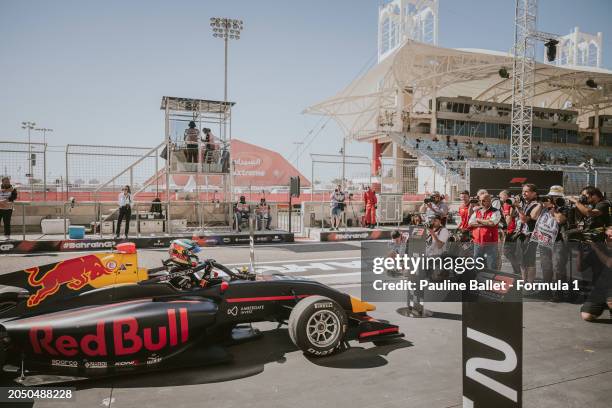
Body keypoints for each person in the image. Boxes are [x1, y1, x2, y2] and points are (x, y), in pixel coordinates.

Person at [534, 185, 569, 301]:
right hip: (545, 239)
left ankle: (559, 292)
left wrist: (553, 208)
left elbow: (560, 220)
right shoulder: (544, 206)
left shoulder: (564, 206)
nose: (553, 198)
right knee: (546, 266)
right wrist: (540, 204)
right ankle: (546, 291)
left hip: (559, 240)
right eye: (551, 196)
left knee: (558, 266)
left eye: (556, 196)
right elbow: (533, 216)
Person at [580, 226, 612, 321]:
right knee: (586, 316)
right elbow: (580, 268)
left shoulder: (598, 250)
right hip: (600, 289)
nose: (609, 237)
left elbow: (609, 263)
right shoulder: (599, 249)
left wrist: (595, 248)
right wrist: (580, 252)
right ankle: (603, 305)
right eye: (607, 235)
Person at [514, 183, 542, 282]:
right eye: (523, 191)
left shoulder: (537, 204)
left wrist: (518, 207)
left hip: (530, 236)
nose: (523, 193)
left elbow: (524, 220)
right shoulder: (523, 204)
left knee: (530, 261)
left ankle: (530, 284)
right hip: (520, 235)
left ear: (534, 193)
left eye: (526, 191)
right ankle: (524, 281)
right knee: (521, 261)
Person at [469, 193, 501, 270]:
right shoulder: (477, 211)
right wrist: (485, 223)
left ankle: (491, 281)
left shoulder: (495, 211)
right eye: (480, 201)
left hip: (490, 243)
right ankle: (479, 281)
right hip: (477, 242)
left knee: (492, 265)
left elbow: (492, 223)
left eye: (484, 201)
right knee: (477, 265)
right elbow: (470, 223)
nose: (481, 203)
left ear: (490, 201)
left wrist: (478, 220)